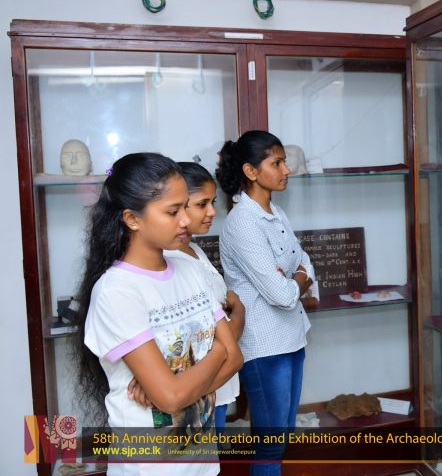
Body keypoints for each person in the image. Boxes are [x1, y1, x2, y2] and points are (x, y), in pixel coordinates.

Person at [74, 152, 243, 476]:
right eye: (172, 211)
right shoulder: (117, 291)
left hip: (203, 464)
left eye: (185, 207)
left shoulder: (189, 270)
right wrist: (216, 353)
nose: (186, 220)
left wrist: (180, 387)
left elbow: (235, 359)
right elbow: (172, 395)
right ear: (132, 219)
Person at [216, 131, 315, 476]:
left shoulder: (275, 212)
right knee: (271, 445)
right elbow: (283, 295)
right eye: (277, 162)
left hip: (292, 336)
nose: (286, 169)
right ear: (251, 171)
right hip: (265, 346)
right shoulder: (242, 222)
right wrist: (298, 278)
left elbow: (306, 262)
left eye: (284, 161)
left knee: (280, 436)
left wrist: (295, 276)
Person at [164, 162, 245, 433]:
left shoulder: (193, 250)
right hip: (198, 386)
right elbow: (220, 337)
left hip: (217, 381)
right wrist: (239, 312)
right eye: (202, 204)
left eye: (212, 202)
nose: (212, 212)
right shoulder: (170, 260)